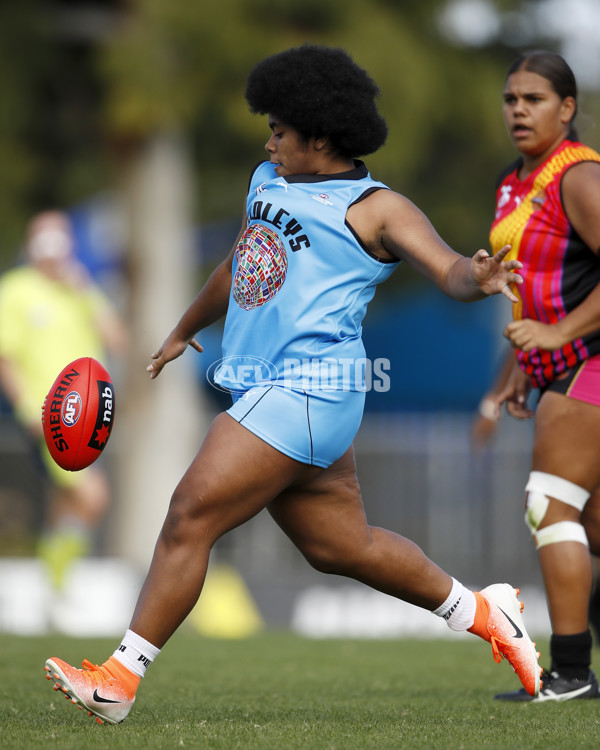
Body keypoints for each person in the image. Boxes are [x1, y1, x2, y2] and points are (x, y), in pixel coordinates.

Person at [43, 45, 541, 725]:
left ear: (322, 136)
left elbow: (451, 270)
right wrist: (185, 328)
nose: (270, 139)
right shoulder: (265, 178)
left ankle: (118, 680)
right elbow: (239, 260)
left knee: (190, 513)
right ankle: (487, 612)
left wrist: (477, 280)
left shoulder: (377, 208)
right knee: (343, 547)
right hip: (269, 391)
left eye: (281, 130)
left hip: (314, 388)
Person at [477, 50, 600, 702]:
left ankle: (574, 673)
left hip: (590, 359)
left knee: (550, 505)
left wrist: (556, 336)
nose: (519, 109)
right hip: (558, 368)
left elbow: (559, 309)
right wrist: (515, 371)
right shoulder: (512, 181)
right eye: (511, 99)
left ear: (568, 108)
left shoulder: (577, 176)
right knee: (594, 527)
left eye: (534, 99)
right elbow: (530, 292)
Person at [0, 210, 128, 591]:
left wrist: (84, 289)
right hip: (49, 416)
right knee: (93, 497)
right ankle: (57, 581)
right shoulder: (16, 290)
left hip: (90, 416)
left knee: (65, 503)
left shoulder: (81, 289)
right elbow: (6, 357)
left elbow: (118, 340)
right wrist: (24, 406)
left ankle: (51, 579)